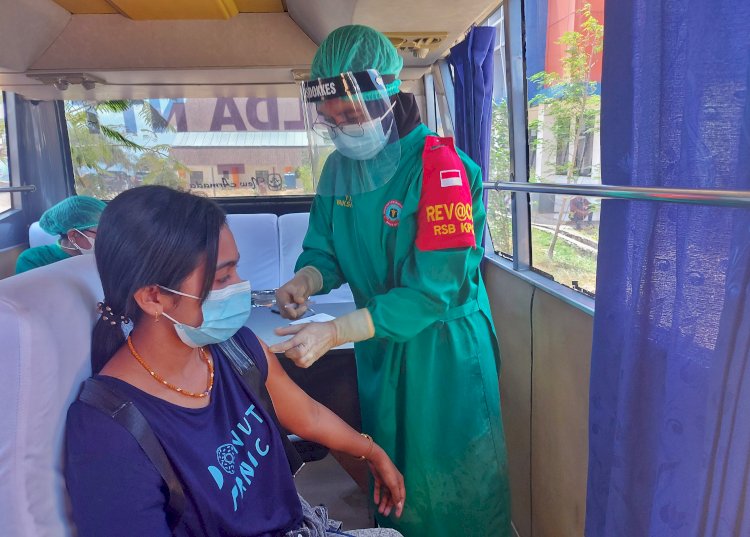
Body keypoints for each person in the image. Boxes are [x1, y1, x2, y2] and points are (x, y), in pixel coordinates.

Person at [271, 25, 511, 537]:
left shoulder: (442, 170)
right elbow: (325, 248)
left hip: (440, 352)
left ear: (387, 95)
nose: (342, 129)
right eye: (330, 120)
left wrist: (335, 331)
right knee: (391, 467)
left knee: (453, 483)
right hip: (378, 345)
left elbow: (432, 291)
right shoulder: (338, 169)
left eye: (352, 115)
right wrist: (307, 280)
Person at [64, 185, 405, 537]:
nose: (242, 286)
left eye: (236, 271)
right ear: (153, 297)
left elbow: (308, 415)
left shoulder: (234, 350)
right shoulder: (109, 433)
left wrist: (372, 452)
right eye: (223, 277)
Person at [15, 195, 104, 274]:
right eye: (102, 233)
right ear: (73, 235)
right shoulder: (32, 260)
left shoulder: (106, 258)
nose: (108, 238)